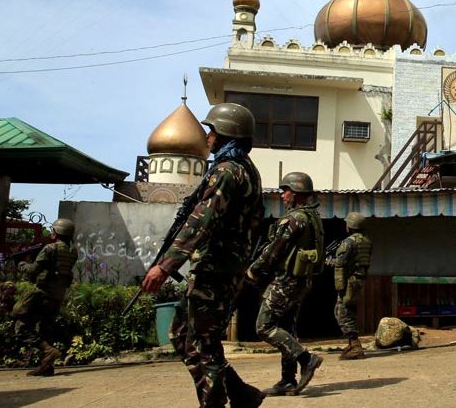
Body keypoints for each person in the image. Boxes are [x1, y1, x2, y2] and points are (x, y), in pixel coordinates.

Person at [142, 102, 265, 408]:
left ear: (227, 135)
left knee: (199, 343)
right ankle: (241, 394)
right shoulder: (246, 170)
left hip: (213, 270)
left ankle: (215, 401)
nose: (207, 138)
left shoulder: (227, 171)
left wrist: (164, 266)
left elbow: (200, 222)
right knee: (189, 336)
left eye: (212, 132)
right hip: (223, 269)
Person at [247, 172, 324, 396]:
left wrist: (253, 271)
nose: (283, 196)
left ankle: (306, 359)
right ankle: (287, 379)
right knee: (287, 327)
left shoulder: (293, 219)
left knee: (265, 326)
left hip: (287, 281)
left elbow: (274, 251)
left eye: (286, 191)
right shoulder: (312, 216)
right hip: (300, 281)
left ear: (297, 193)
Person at [11, 218, 78, 377]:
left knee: (20, 324)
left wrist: (20, 263)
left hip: (42, 292)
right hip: (57, 294)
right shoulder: (71, 251)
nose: (52, 233)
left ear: (58, 232)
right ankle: (47, 367)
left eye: (53, 230)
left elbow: (33, 270)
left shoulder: (49, 249)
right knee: (45, 328)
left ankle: (48, 350)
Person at [332, 211, 372, 360]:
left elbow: (340, 264)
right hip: (359, 280)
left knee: (341, 311)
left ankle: (355, 345)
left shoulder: (349, 242)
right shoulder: (367, 241)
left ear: (351, 226)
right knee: (350, 311)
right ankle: (352, 343)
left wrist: (339, 286)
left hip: (349, 281)